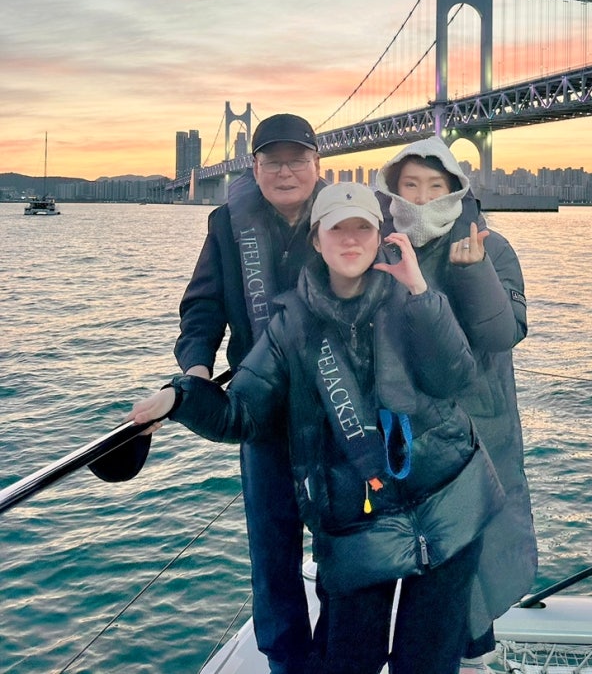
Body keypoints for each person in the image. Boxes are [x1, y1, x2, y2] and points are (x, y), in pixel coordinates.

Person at [131, 183, 505, 674]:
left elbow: (455, 377)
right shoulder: (290, 326)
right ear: (316, 239)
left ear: (379, 236)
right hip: (357, 527)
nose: (350, 240)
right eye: (337, 229)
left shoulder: (411, 295)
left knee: (429, 664)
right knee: (348, 660)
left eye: (362, 229)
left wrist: (420, 292)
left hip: (451, 505)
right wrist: (180, 396)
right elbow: (241, 414)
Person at [375, 137, 538, 674]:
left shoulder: (492, 246)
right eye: (410, 186)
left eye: (435, 187)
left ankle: (473, 657)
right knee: (414, 560)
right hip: (404, 434)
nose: (422, 199)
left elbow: (503, 334)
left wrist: (473, 272)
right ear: (393, 191)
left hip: (476, 428)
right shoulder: (380, 246)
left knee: (473, 557)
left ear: (456, 191)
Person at [173, 113, 323, 674]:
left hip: (337, 407)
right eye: (272, 161)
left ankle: (338, 654)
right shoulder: (225, 225)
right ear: (254, 168)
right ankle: (286, 662)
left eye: (297, 159)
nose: (286, 172)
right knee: (271, 545)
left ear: (317, 164)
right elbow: (203, 306)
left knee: (343, 539)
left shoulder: (348, 215)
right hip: (261, 410)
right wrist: (195, 371)